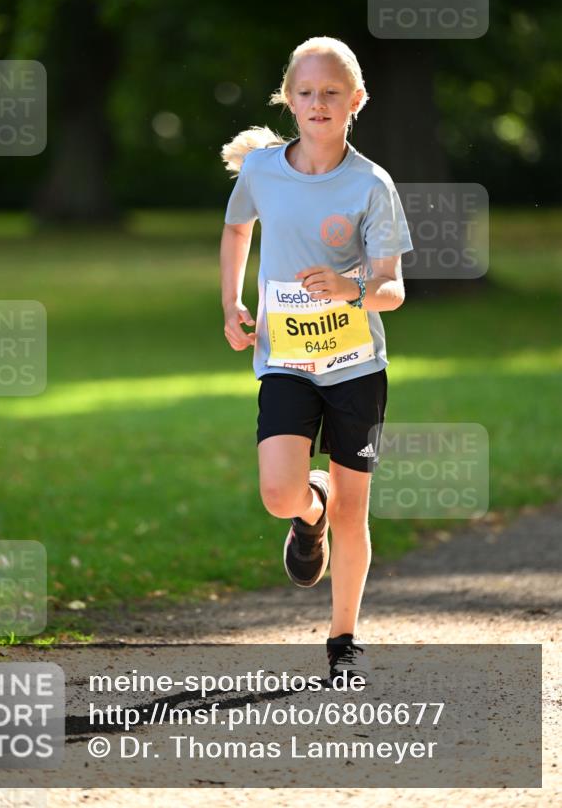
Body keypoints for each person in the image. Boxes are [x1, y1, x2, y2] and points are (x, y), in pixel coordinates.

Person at [219, 36, 413, 681]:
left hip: (355, 367)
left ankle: (343, 639)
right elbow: (237, 228)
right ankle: (310, 511)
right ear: (289, 100)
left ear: (356, 100)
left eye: (331, 92)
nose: (317, 102)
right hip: (286, 362)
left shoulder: (371, 184)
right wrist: (231, 302)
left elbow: (392, 289)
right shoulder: (262, 171)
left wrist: (350, 288)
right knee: (280, 493)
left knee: (355, 512)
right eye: (305, 92)